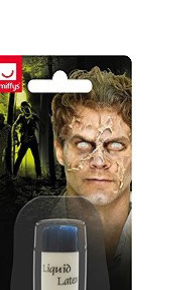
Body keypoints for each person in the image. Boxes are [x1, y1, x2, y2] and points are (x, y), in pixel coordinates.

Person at [51, 66, 131, 271]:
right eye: (83, 144)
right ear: (60, 150)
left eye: (116, 145)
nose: (99, 161)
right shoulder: (23, 234)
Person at [12, 101, 42, 177]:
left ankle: (39, 176)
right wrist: (15, 136)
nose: (25, 109)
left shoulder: (34, 116)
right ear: (22, 109)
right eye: (23, 108)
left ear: (29, 107)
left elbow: (41, 124)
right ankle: (13, 175)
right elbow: (14, 126)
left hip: (32, 140)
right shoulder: (21, 117)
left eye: (26, 107)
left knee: (36, 158)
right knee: (19, 157)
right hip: (24, 141)